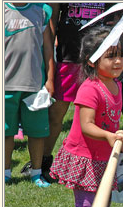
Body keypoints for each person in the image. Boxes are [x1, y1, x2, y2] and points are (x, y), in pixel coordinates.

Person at [21, 3, 118, 182]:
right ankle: (43, 162)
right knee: (56, 114)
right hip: (69, 57)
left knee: (99, 115)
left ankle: (99, 162)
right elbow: (52, 19)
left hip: (100, 58)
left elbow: (116, 12)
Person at [49, 26, 123, 207]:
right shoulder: (90, 88)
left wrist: (118, 141)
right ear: (92, 61)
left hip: (104, 156)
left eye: (120, 55)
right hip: (85, 157)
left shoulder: (116, 85)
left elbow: (110, 121)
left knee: (103, 203)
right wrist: (110, 136)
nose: (118, 61)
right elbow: (87, 125)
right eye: (111, 57)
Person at [5, 3, 55, 187]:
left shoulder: (42, 10)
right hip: (6, 85)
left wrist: (50, 79)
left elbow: (48, 49)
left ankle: (36, 173)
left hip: (35, 85)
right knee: (5, 132)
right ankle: (6, 172)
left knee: (37, 132)